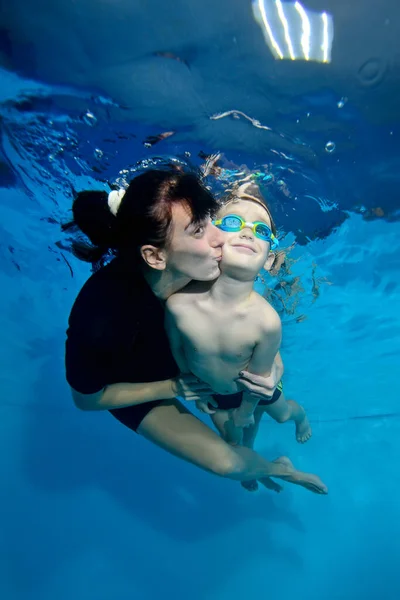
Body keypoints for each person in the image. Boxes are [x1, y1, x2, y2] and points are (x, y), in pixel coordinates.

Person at [65, 167, 326, 494]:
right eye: (200, 230)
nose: (221, 238)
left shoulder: (205, 264)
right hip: (131, 383)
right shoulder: (102, 317)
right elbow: (87, 399)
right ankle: (279, 469)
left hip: (192, 372)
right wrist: (172, 387)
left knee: (240, 435)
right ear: (156, 256)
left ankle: (257, 463)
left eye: (212, 220)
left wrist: (273, 369)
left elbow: (252, 324)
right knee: (227, 463)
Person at [165, 181, 319, 493]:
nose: (248, 232)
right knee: (232, 441)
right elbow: (178, 350)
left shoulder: (266, 322)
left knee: (281, 413)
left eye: (262, 230)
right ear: (210, 235)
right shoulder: (177, 304)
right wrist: (196, 391)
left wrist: (247, 411)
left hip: (257, 392)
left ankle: (301, 419)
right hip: (217, 394)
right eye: (233, 222)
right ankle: (265, 467)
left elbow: (261, 375)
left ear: (270, 259)